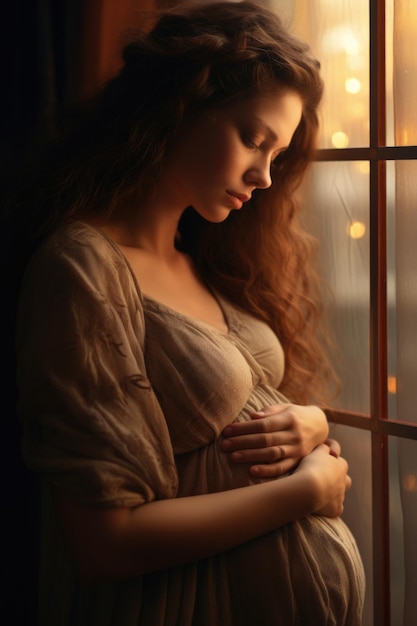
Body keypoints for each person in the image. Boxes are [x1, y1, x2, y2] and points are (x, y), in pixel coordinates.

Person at [14, 1, 365, 624]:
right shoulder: (83, 268)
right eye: (253, 139)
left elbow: (239, 404)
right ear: (179, 107)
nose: (263, 176)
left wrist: (308, 422)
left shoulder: (200, 256)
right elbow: (104, 544)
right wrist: (304, 491)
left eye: (277, 156)